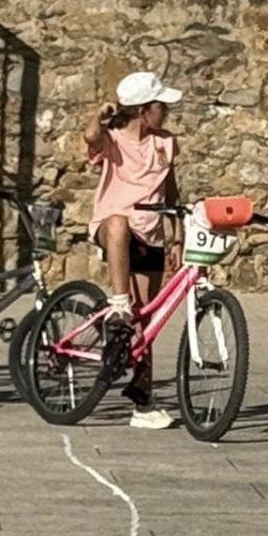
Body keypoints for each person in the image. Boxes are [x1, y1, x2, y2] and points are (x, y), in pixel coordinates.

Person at [85, 70, 182, 430]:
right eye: (162, 106)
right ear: (145, 109)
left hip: (151, 235)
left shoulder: (165, 143)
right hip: (114, 233)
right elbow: (90, 136)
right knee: (117, 221)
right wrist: (99, 112)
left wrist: (177, 235)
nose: (167, 113)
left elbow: (170, 191)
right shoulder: (111, 139)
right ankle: (118, 302)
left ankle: (142, 401)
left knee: (148, 324)